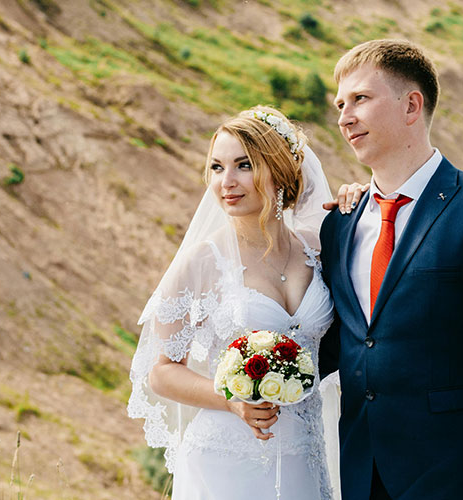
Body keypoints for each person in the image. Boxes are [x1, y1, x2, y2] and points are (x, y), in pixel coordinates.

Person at [318, 39, 463, 500]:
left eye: (360, 98)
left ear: (411, 105)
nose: (344, 117)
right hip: (359, 476)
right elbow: (347, 345)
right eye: (340, 104)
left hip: (452, 480)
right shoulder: (340, 225)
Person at [128, 105, 356, 499]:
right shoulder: (202, 260)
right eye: (216, 168)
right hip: (226, 458)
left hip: (306, 450)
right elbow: (161, 371)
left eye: (243, 165)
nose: (226, 182)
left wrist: (359, 201)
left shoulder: (318, 249)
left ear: (279, 170)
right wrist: (231, 401)